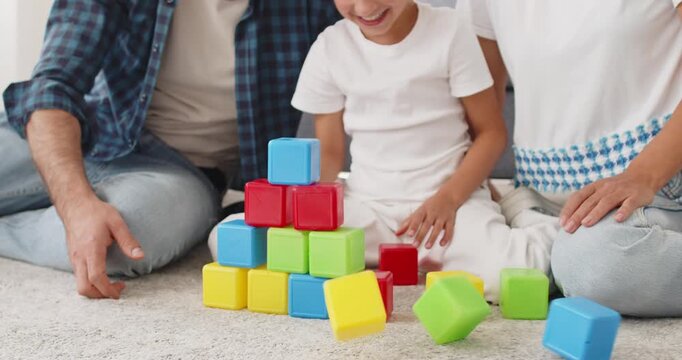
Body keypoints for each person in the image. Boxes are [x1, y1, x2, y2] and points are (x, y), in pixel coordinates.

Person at [210, 0, 562, 302]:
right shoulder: (330, 47)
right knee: (236, 242)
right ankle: (412, 254)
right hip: (370, 204)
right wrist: (304, 213)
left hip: (447, 206)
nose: (365, 8)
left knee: (507, 276)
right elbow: (330, 154)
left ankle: (525, 213)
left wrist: (449, 199)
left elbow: (491, 134)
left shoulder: (450, 30)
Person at [0, 0, 340, 299]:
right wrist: (75, 204)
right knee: (86, 219)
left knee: (124, 245)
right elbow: (53, 85)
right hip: (91, 131)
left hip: (182, 172)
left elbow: (383, 37)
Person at [464, 0, 682, 316]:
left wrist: (642, 175)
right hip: (540, 202)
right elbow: (479, 98)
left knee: (591, 261)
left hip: (660, 183)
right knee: (480, 259)